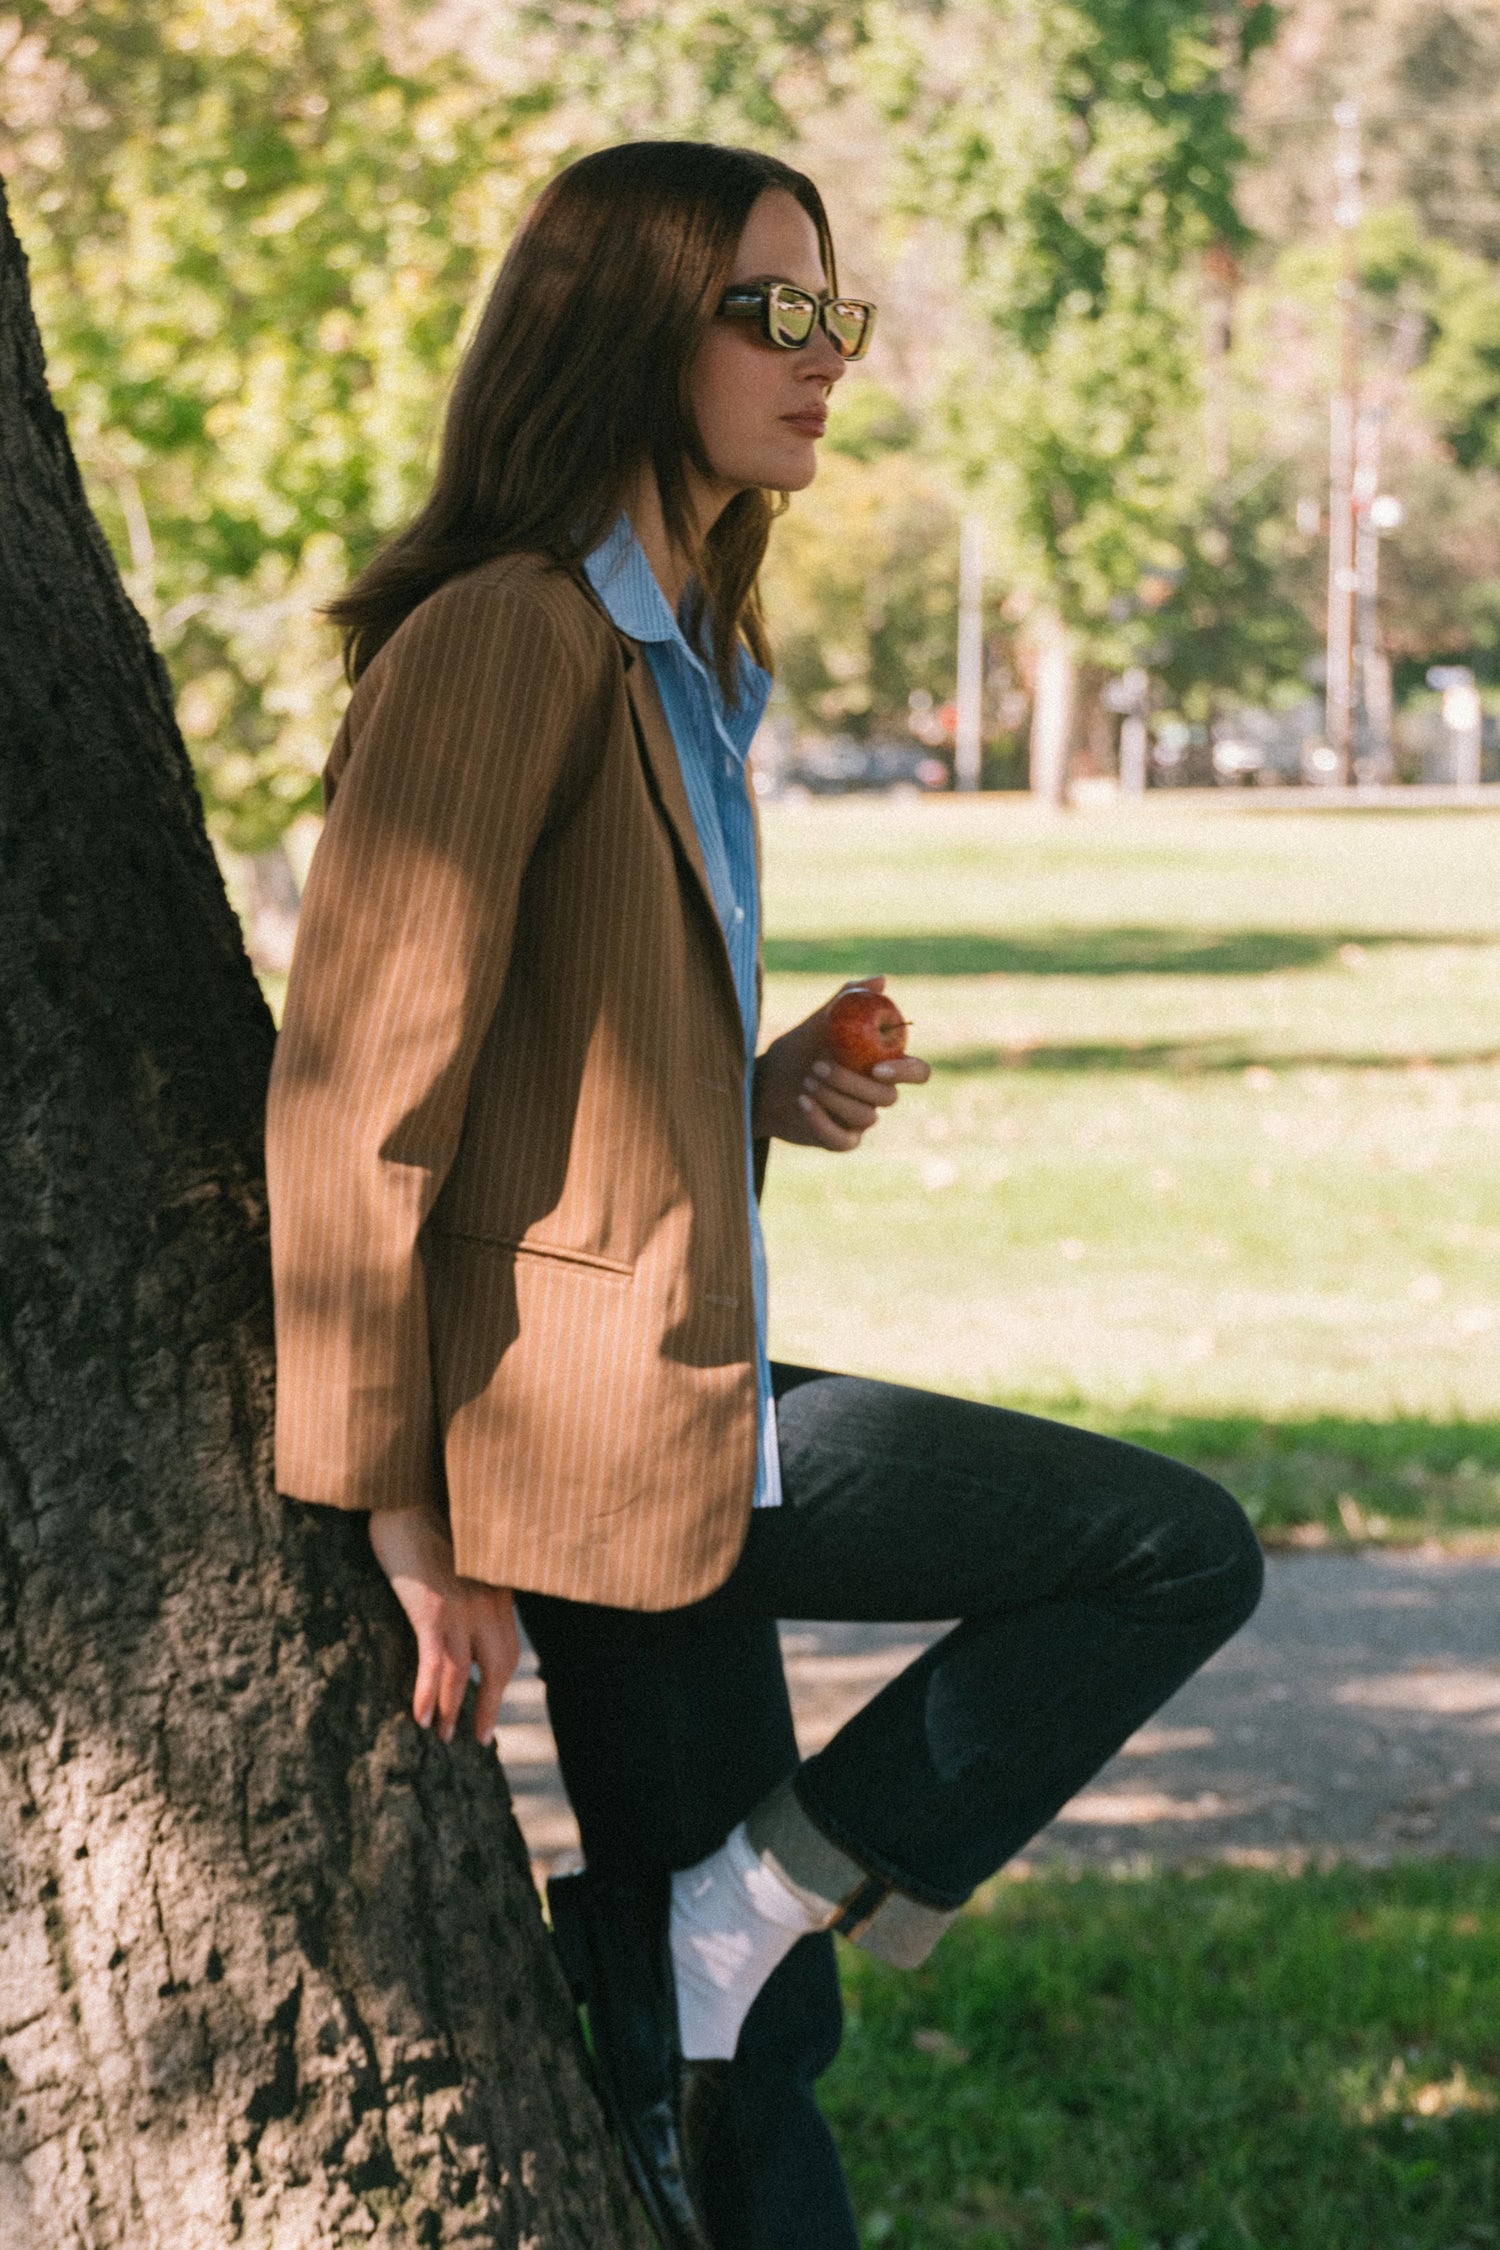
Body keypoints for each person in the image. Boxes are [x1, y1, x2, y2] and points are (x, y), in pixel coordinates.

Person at [265, 139, 1263, 2250]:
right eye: (766, 310)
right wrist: (398, 1505)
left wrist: (760, 1078)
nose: (823, 358)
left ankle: (705, 1941)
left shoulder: (694, 654)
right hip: (582, 1423)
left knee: (727, 2025)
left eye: (836, 313)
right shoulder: (505, 638)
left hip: (665, 1375)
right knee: (1167, 1552)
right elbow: (360, 1094)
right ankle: (719, 1925)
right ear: (627, 331)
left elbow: (567, 1057)